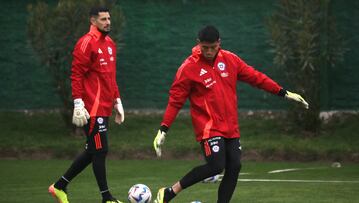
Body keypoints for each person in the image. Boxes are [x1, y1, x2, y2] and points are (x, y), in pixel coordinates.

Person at [153, 25, 309, 203]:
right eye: (205, 48)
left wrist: (284, 93)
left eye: (213, 47)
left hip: (230, 126)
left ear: (219, 43)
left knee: (235, 166)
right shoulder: (188, 68)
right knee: (216, 165)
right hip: (208, 127)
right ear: (198, 44)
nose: (210, 51)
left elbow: (256, 77)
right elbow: (175, 101)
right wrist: (163, 128)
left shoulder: (230, 60)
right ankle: (169, 192)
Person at [48, 6, 125, 203]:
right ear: (93, 21)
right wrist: (78, 103)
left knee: (93, 150)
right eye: (103, 19)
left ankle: (59, 186)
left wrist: (117, 100)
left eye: (109, 18)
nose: (108, 22)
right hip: (92, 108)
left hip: (105, 107)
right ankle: (106, 197)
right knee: (100, 150)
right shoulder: (85, 43)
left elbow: (109, 76)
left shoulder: (110, 44)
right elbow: (76, 74)